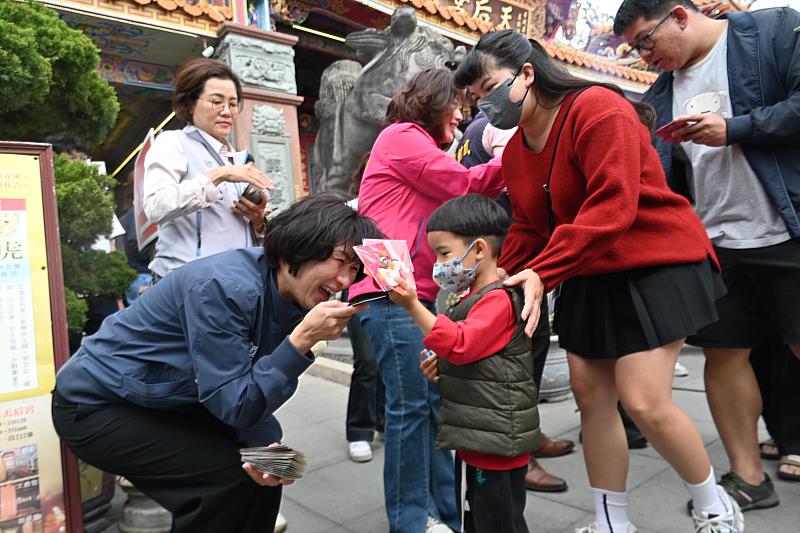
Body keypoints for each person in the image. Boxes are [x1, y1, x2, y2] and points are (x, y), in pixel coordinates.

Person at [455, 30, 743, 533]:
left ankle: (714, 505)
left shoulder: (597, 109)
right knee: (592, 400)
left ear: (525, 74)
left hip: (654, 259)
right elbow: (526, 223)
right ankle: (612, 522)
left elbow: (613, 206)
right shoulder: (516, 152)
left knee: (645, 400)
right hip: (588, 269)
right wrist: (500, 276)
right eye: (475, 98)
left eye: (487, 88)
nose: (483, 105)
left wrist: (540, 272)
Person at [51, 194, 382, 533]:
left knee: (269, 468)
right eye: (339, 261)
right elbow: (235, 402)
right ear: (297, 247)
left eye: (354, 269)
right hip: (95, 404)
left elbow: (246, 388)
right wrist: (300, 342)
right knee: (224, 479)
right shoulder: (224, 287)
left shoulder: (291, 295)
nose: (344, 280)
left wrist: (266, 445)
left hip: (172, 399)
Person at [613, 0, 800, 512]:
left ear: (679, 15)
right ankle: (747, 476)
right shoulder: (661, 92)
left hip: (788, 228)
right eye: (634, 50)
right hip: (715, 243)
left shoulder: (773, 31)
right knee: (725, 354)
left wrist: (736, 128)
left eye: (646, 42)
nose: (645, 56)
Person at [348, 68, 505, 533]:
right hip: (391, 286)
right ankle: (412, 521)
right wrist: (517, 154)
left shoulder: (413, 143)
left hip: (413, 288)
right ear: (435, 102)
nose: (461, 115)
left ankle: (442, 515)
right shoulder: (401, 135)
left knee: (432, 405)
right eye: (457, 104)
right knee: (413, 408)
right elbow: (463, 186)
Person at [391, 194, 537, 533]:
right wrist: (442, 366)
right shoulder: (473, 299)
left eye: (445, 253)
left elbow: (460, 345)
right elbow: (476, 360)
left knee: (498, 523)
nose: (439, 264)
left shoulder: (497, 299)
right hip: (481, 438)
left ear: (480, 250)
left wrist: (413, 306)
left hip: (495, 444)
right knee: (482, 519)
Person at [455, 112, 574, 493]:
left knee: (530, 346)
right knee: (513, 360)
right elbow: (526, 181)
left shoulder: (469, 133)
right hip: (501, 260)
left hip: (508, 259)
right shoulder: (497, 126)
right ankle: (518, 454)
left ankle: (529, 437)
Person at [143, 58, 272, 280]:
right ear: (190, 104)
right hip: (187, 282)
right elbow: (156, 207)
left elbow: (249, 233)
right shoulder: (172, 142)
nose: (227, 111)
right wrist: (219, 175)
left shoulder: (238, 159)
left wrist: (258, 220)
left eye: (233, 104)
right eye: (216, 102)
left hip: (237, 282)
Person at [345, 154, 385, 463]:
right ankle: (359, 431)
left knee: (392, 363)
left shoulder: (399, 202)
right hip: (361, 292)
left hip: (395, 291)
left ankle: (384, 422)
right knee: (367, 363)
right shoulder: (352, 209)